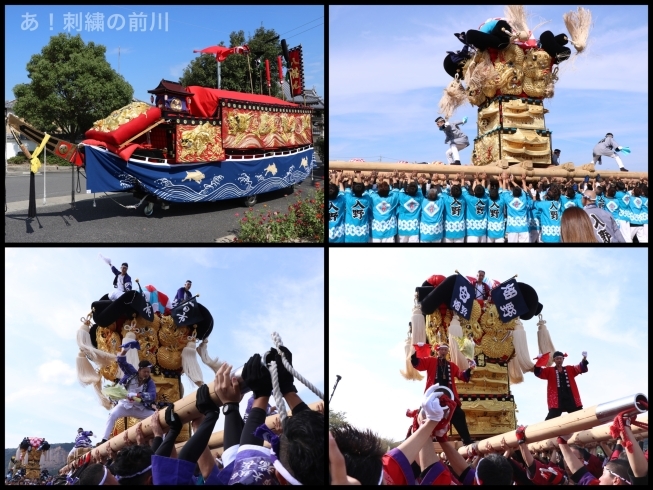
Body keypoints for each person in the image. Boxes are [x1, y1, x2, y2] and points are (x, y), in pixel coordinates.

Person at [411, 343, 475, 445]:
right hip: (433, 395)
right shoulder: (431, 361)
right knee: (423, 413)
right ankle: (417, 440)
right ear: (438, 350)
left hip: (448, 396)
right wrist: (416, 353)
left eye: (446, 350)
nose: (444, 352)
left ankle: (466, 440)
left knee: (459, 413)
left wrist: (469, 369)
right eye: (442, 350)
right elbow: (418, 364)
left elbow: (462, 376)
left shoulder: (452, 365)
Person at [99, 345, 157, 444]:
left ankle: (160, 440)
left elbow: (152, 396)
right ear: (139, 371)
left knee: (156, 417)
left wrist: (138, 395)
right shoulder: (131, 373)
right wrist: (124, 351)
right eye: (145, 371)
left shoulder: (149, 382)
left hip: (139, 408)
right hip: (124, 405)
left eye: (148, 372)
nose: (147, 374)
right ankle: (104, 439)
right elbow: (122, 362)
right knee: (112, 414)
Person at [534, 350, 588, 420]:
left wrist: (584, 359)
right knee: (551, 419)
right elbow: (539, 372)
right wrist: (540, 361)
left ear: (563, 359)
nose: (559, 360)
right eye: (557, 359)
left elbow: (580, 368)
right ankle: (544, 430)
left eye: (560, 358)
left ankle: (588, 430)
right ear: (554, 360)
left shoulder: (569, 369)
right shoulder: (549, 370)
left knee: (580, 416)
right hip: (557, 400)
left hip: (570, 398)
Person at [342, 172, 372, 243]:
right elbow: (366, 190)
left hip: (350, 235)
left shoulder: (349, 199)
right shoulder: (367, 199)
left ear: (353, 190)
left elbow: (347, 190)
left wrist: (350, 180)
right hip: (363, 234)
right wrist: (360, 178)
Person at [420, 177, 445, 243]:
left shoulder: (424, 202)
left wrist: (430, 180)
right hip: (437, 231)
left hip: (425, 232)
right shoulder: (440, 202)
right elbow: (440, 194)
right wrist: (436, 183)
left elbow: (424, 193)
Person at [441, 176, 466, 243]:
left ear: (451, 192)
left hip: (448, 229)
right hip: (460, 229)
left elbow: (443, 191)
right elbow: (464, 191)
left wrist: (451, 184)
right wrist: (462, 180)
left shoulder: (446, 199)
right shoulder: (463, 199)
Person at [328, 172, 346, 242]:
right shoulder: (341, 200)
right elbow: (341, 192)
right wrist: (340, 181)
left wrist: (334, 178)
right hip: (339, 235)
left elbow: (333, 190)